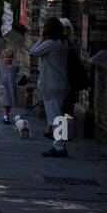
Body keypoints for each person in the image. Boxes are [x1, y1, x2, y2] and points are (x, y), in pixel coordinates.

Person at [31, 17, 70, 157]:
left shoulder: (50, 43)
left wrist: (41, 37)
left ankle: (59, 147)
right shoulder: (63, 42)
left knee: (55, 118)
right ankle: (61, 144)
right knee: (60, 117)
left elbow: (33, 51)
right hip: (62, 83)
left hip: (52, 85)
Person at [0, 49, 20, 124]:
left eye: (9, 57)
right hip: (3, 87)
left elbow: (18, 75)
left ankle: (6, 114)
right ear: (3, 58)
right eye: (6, 57)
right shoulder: (0, 66)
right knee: (4, 101)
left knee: (10, 102)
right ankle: (5, 117)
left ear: (12, 58)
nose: (7, 59)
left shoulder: (15, 67)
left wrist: (21, 79)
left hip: (12, 87)